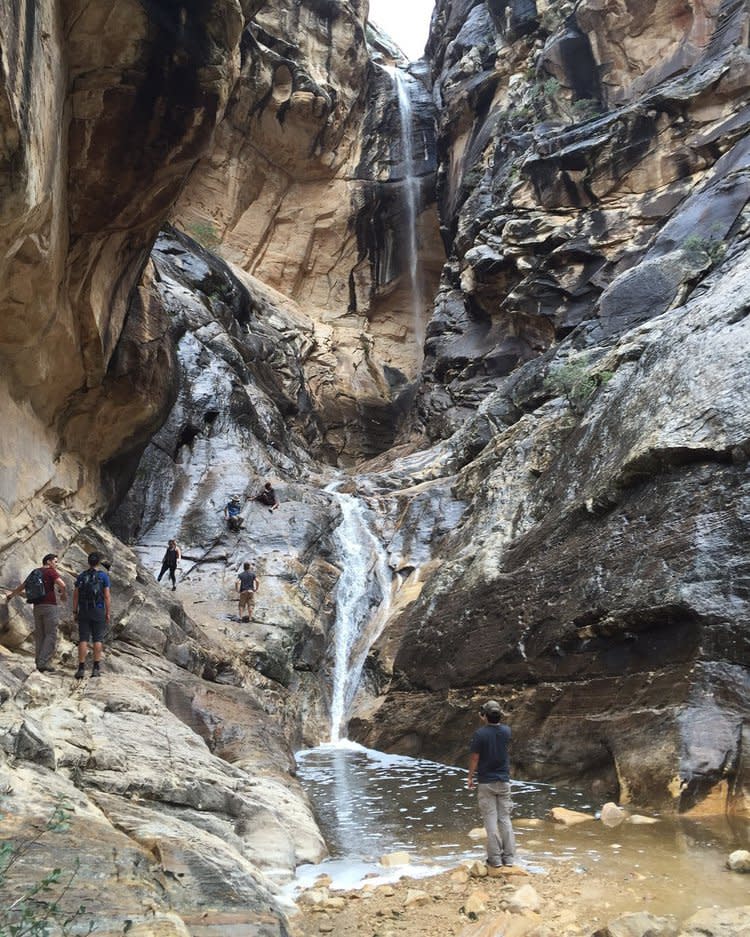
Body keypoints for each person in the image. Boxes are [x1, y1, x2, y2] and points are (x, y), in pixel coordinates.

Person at [467, 699, 517, 868]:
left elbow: (475, 757)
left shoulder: (480, 734)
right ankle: (509, 858)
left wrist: (470, 777)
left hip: (486, 782)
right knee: (505, 819)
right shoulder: (506, 731)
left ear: (485, 715)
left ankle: (495, 859)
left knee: (490, 820)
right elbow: (497, 734)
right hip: (504, 781)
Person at [4, 553, 67, 672]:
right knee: (51, 634)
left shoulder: (35, 572)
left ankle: (39, 661)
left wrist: (11, 596)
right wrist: (63, 594)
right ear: (48, 562)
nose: (56, 564)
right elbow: (62, 584)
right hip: (49, 606)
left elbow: (23, 586)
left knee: (41, 635)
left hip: (37, 606)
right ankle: (43, 662)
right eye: (55, 561)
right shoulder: (50, 572)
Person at [72, 552, 111, 679]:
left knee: (83, 639)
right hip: (98, 610)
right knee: (97, 639)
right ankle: (95, 668)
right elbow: (106, 596)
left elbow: (76, 595)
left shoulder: (82, 576)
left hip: (84, 610)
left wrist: (75, 611)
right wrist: (107, 612)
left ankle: (81, 668)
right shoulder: (103, 577)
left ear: (88, 562)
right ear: (98, 562)